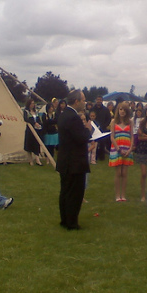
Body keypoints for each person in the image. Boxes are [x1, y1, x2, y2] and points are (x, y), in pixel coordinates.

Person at [57, 90, 92, 230]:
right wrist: (88, 129)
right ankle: (72, 222)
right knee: (75, 194)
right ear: (76, 101)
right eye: (83, 100)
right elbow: (81, 137)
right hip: (74, 162)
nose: (84, 102)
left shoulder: (63, 114)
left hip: (65, 160)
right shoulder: (73, 117)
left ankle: (65, 219)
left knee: (65, 191)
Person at [109, 102, 134, 202]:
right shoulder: (114, 121)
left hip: (127, 148)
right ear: (117, 110)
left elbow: (132, 136)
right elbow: (112, 136)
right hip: (117, 149)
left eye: (124, 110)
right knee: (118, 172)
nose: (122, 111)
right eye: (120, 109)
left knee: (124, 173)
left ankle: (123, 195)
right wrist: (118, 149)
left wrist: (130, 149)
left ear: (127, 111)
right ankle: (117, 195)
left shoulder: (130, 122)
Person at [91, 96, 112, 161]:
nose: (98, 101)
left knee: (102, 143)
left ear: (102, 101)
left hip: (103, 128)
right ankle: (94, 157)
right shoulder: (92, 109)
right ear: (96, 100)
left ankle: (102, 156)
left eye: (100, 100)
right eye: (97, 99)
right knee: (94, 143)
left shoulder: (106, 110)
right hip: (94, 128)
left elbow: (109, 119)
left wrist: (105, 125)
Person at [23, 98, 43, 166]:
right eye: (31, 103)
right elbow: (26, 119)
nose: (33, 105)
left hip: (36, 130)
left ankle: (37, 160)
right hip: (30, 131)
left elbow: (39, 120)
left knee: (36, 145)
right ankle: (30, 160)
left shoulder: (36, 112)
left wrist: (39, 124)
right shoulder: (26, 111)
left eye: (33, 103)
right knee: (29, 145)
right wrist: (34, 123)